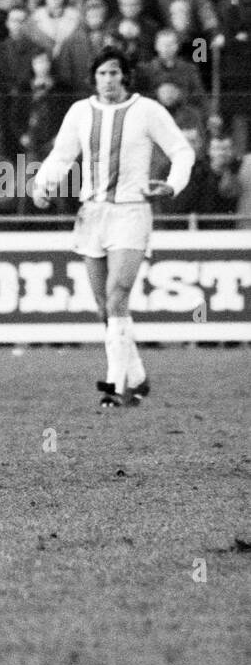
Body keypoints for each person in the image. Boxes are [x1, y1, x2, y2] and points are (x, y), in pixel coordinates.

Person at [31, 48, 195, 406]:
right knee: (105, 307)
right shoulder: (80, 112)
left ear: (125, 76)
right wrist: (42, 184)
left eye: (114, 73)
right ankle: (136, 376)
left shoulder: (147, 111)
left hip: (132, 212)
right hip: (92, 213)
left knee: (118, 292)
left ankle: (113, 388)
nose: (108, 80)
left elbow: (182, 150)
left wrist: (171, 183)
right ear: (94, 78)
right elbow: (62, 155)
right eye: (102, 73)